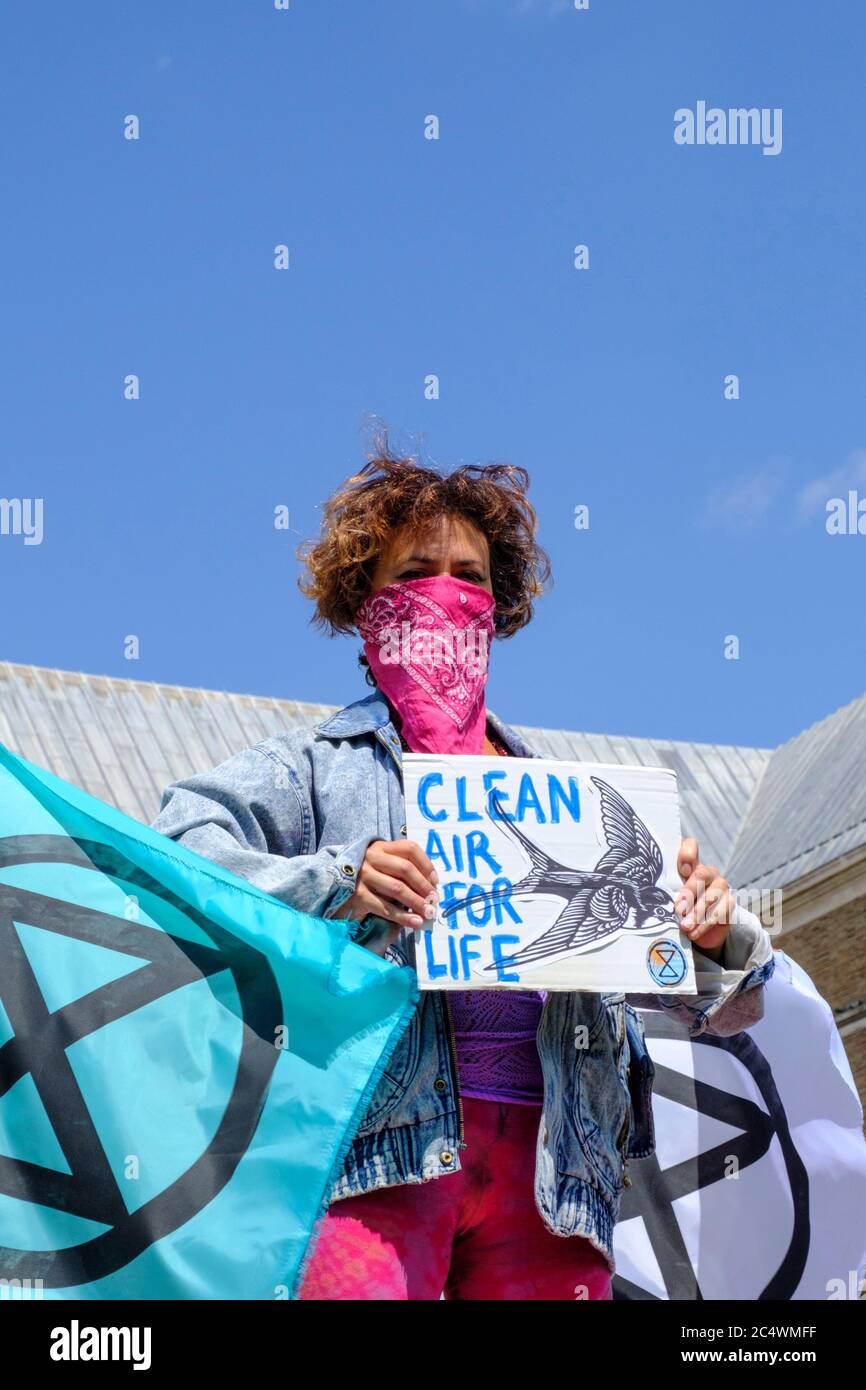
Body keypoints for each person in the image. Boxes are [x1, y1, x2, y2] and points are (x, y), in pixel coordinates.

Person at [151, 445, 774, 1300]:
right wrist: (338, 881)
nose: (445, 592)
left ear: (496, 605)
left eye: (469, 576)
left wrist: (709, 939)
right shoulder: (314, 767)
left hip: (555, 1177)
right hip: (374, 1157)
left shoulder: (574, 800)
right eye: (416, 572)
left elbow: (734, 1009)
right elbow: (178, 858)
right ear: (367, 604)